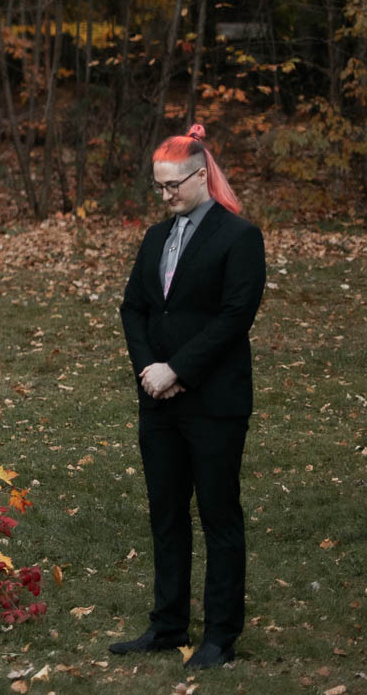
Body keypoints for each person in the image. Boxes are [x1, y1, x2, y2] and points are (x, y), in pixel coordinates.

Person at [113, 123, 266, 671]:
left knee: (218, 516)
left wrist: (178, 369)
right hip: (158, 402)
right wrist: (149, 371)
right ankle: (167, 623)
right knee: (166, 514)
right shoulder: (156, 238)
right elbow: (134, 308)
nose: (166, 195)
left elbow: (234, 319)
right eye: (157, 187)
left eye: (173, 185)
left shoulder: (239, 237)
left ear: (202, 176)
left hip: (215, 402)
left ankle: (221, 635)